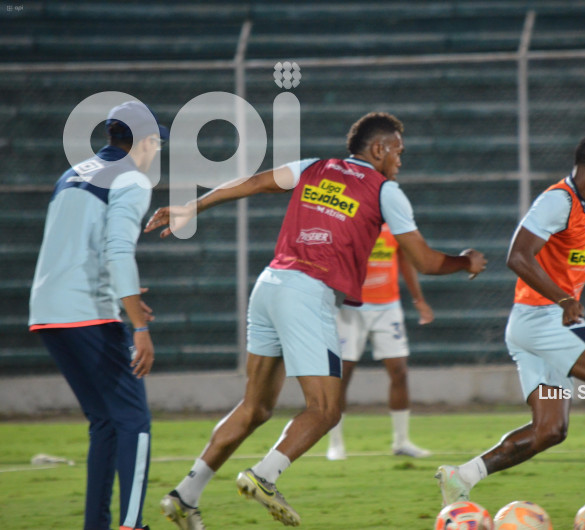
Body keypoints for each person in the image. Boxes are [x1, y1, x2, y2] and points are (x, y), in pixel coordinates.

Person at [146, 112, 487, 528]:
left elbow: (252, 182)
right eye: (398, 150)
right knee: (325, 410)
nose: (401, 159)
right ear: (378, 149)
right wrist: (465, 261)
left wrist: (193, 205)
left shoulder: (314, 167)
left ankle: (185, 495)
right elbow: (426, 261)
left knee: (254, 406)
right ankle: (265, 477)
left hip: (270, 284)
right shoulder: (385, 190)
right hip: (308, 291)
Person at [435, 134, 585, 518]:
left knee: (550, 430)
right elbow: (517, 256)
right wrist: (564, 299)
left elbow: (584, 260)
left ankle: (461, 476)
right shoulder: (558, 201)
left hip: (536, 321)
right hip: (542, 317)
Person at [28, 100, 167, 530]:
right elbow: (118, 250)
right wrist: (139, 327)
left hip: (48, 312)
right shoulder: (131, 178)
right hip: (86, 312)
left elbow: (77, 248)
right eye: (156, 144)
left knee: (106, 422)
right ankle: (131, 525)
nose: (156, 152)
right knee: (135, 421)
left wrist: (125, 298)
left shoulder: (72, 174)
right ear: (145, 142)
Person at [326, 222, 435, 461]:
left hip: (388, 306)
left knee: (399, 371)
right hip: (352, 307)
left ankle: (401, 441)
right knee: (343, 373)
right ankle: (335, 443)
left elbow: (404, 260)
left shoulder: (395, 222)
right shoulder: (348, 219)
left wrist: (418, 300)